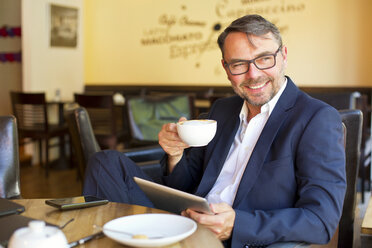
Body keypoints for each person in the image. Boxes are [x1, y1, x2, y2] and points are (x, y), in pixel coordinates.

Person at [83, 14, 346, 248]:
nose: (253, 74)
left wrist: (238, 225)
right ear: (226, 69)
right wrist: (175, 156)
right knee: (105, 161)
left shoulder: (316, 118)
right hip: (185, 220)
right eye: (239, 64)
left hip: (234, 238)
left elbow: (321, 221)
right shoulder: (222, 111)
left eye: (264, 59)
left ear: (283, 56)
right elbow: (185, 186)